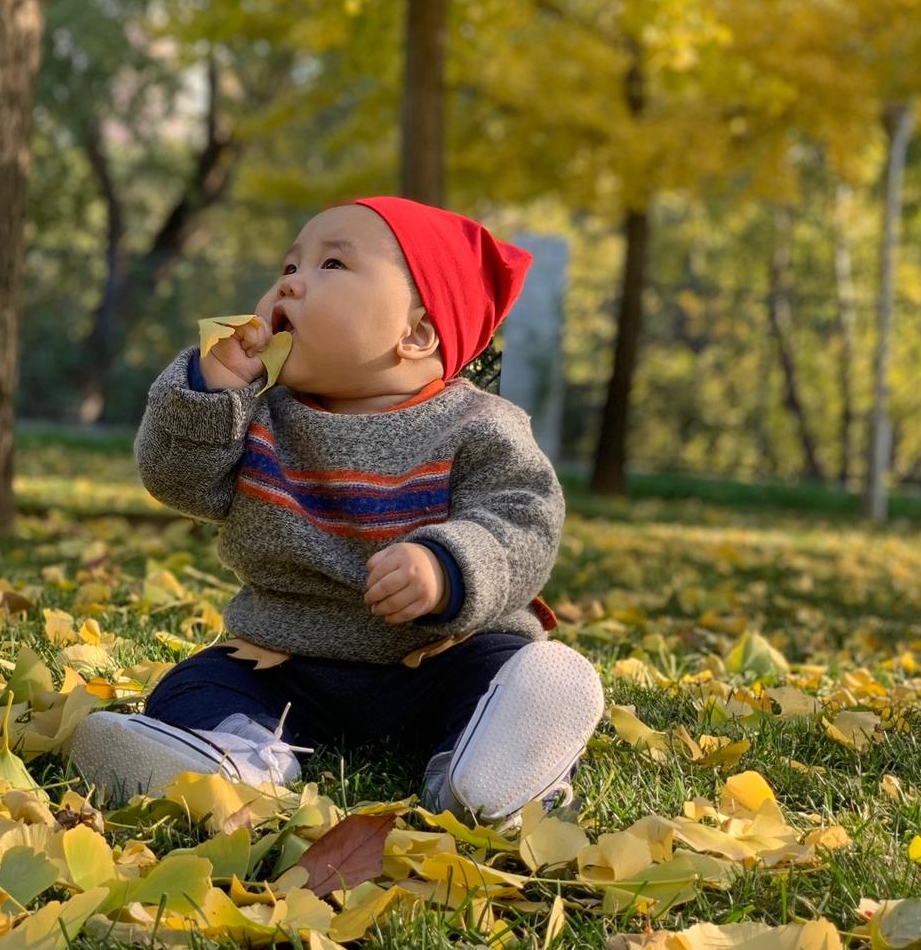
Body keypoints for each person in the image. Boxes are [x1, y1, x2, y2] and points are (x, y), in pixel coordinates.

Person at [70, 196, 605, 827]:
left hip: (441, 653)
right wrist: (211, 393)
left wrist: (447, 564)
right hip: (286, 664)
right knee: (195, 684)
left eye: (330, 265)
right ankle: (239, 760)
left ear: (418, 333)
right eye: (289, 264)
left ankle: (482, 769)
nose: (291, 280)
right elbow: (178, 481)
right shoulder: (259, 412)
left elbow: (524, 519)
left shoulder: (477, 426)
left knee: (500, 674)